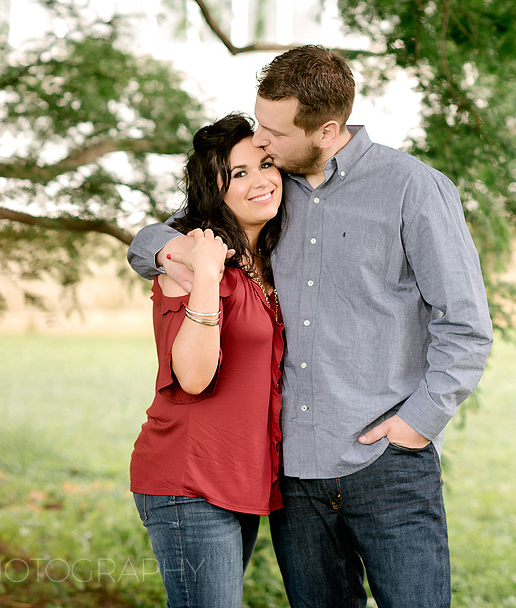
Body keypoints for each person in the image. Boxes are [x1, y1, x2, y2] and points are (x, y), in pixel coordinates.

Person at [128, 46, 494, 608]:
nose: (262, 142)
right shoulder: (267, 192)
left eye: (273, 133)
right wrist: (178, 253)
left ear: (325, 130)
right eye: (259, 126)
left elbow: (465, 325)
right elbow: (150, 241)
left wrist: (416, 425)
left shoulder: (412, 188)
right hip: (293, 476)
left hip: (388, 465)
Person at [129, 113, 286, 608]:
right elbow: (193, 379)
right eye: (239, 174)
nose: (261, 180)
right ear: (214, 193)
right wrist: (203, 272)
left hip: (236, 479)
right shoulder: (191, 260)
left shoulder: (268, 262)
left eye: (265, 164)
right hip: (189, 480)